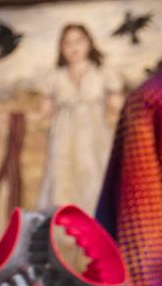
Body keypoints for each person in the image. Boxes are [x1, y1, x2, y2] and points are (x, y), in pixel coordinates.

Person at [34, 23, 123, 210]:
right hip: (63, 138)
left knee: (95, 180)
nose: (74, 47)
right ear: (61, 47)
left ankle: (96, 230)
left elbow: (118, 107)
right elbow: (43, 112)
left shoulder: (104, 73)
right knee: (62, 181)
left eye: (78, 41)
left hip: (95, 138)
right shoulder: (55, 77)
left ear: (89, 43)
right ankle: (64, 233)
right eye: (67, 43)